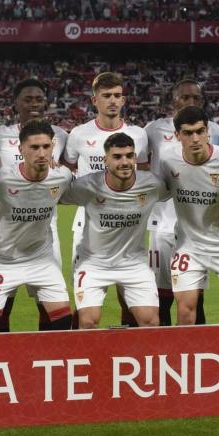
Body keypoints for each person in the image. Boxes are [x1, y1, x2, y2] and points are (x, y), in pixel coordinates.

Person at [63, 72, 149, 326]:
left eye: (117, 96)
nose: (112, 101)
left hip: (128, 224)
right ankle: (82, 352)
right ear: (94, 100)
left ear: (123, 100)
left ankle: (128, 352)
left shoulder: (139, 135)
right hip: (87, 223)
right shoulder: (78, 134)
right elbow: (68, 173)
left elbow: (143, 175)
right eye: (106, 96)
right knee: (83, 299)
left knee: (130, 297)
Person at [0, 119, 73, 332]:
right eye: (34, 147)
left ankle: (45, 362)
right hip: (1, 260)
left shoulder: (62, 177)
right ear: (21, 149)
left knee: (63, 322)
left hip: (41, 259)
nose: (42, 153)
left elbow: (83, 192)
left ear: (53, 147)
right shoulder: (1, 179)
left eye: (46, 146)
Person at [160, 106, 219, 325]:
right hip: (189, 246)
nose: (195, 138)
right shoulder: (167, 160)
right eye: (187, 133)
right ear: (177, 135)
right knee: (185, 313)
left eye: (200, 131)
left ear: (208, 132)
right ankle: (186, 359)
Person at [61, 133, 168, 328]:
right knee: (88, 322)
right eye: (117, 157)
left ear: (136, 158)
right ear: (106, 160)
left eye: (129, 155)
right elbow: (49, 197)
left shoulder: (152, 184)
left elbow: (181, 192)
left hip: (133, 264)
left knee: (151, 322)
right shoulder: (87, 185)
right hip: (93, 264)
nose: (125, 162)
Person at [0, 78, 69, 330]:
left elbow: (69, 176)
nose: (34, 104)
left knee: (50, 306)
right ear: (16, 103)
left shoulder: (62, 136)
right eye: (28, 99)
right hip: (6, 234)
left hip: (45, 232)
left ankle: (47, 359)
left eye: (39, 99)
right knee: (2, 305)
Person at [144, 79, 219, 326]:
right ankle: (163, 351)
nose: (190, 102)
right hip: (162, 225)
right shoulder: (152, 130)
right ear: (173, 101)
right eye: (185, 97)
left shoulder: (216, 131)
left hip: (197, 229)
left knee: (194, 298)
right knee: (162, 297)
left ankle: (197, 353)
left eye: (196, 98)